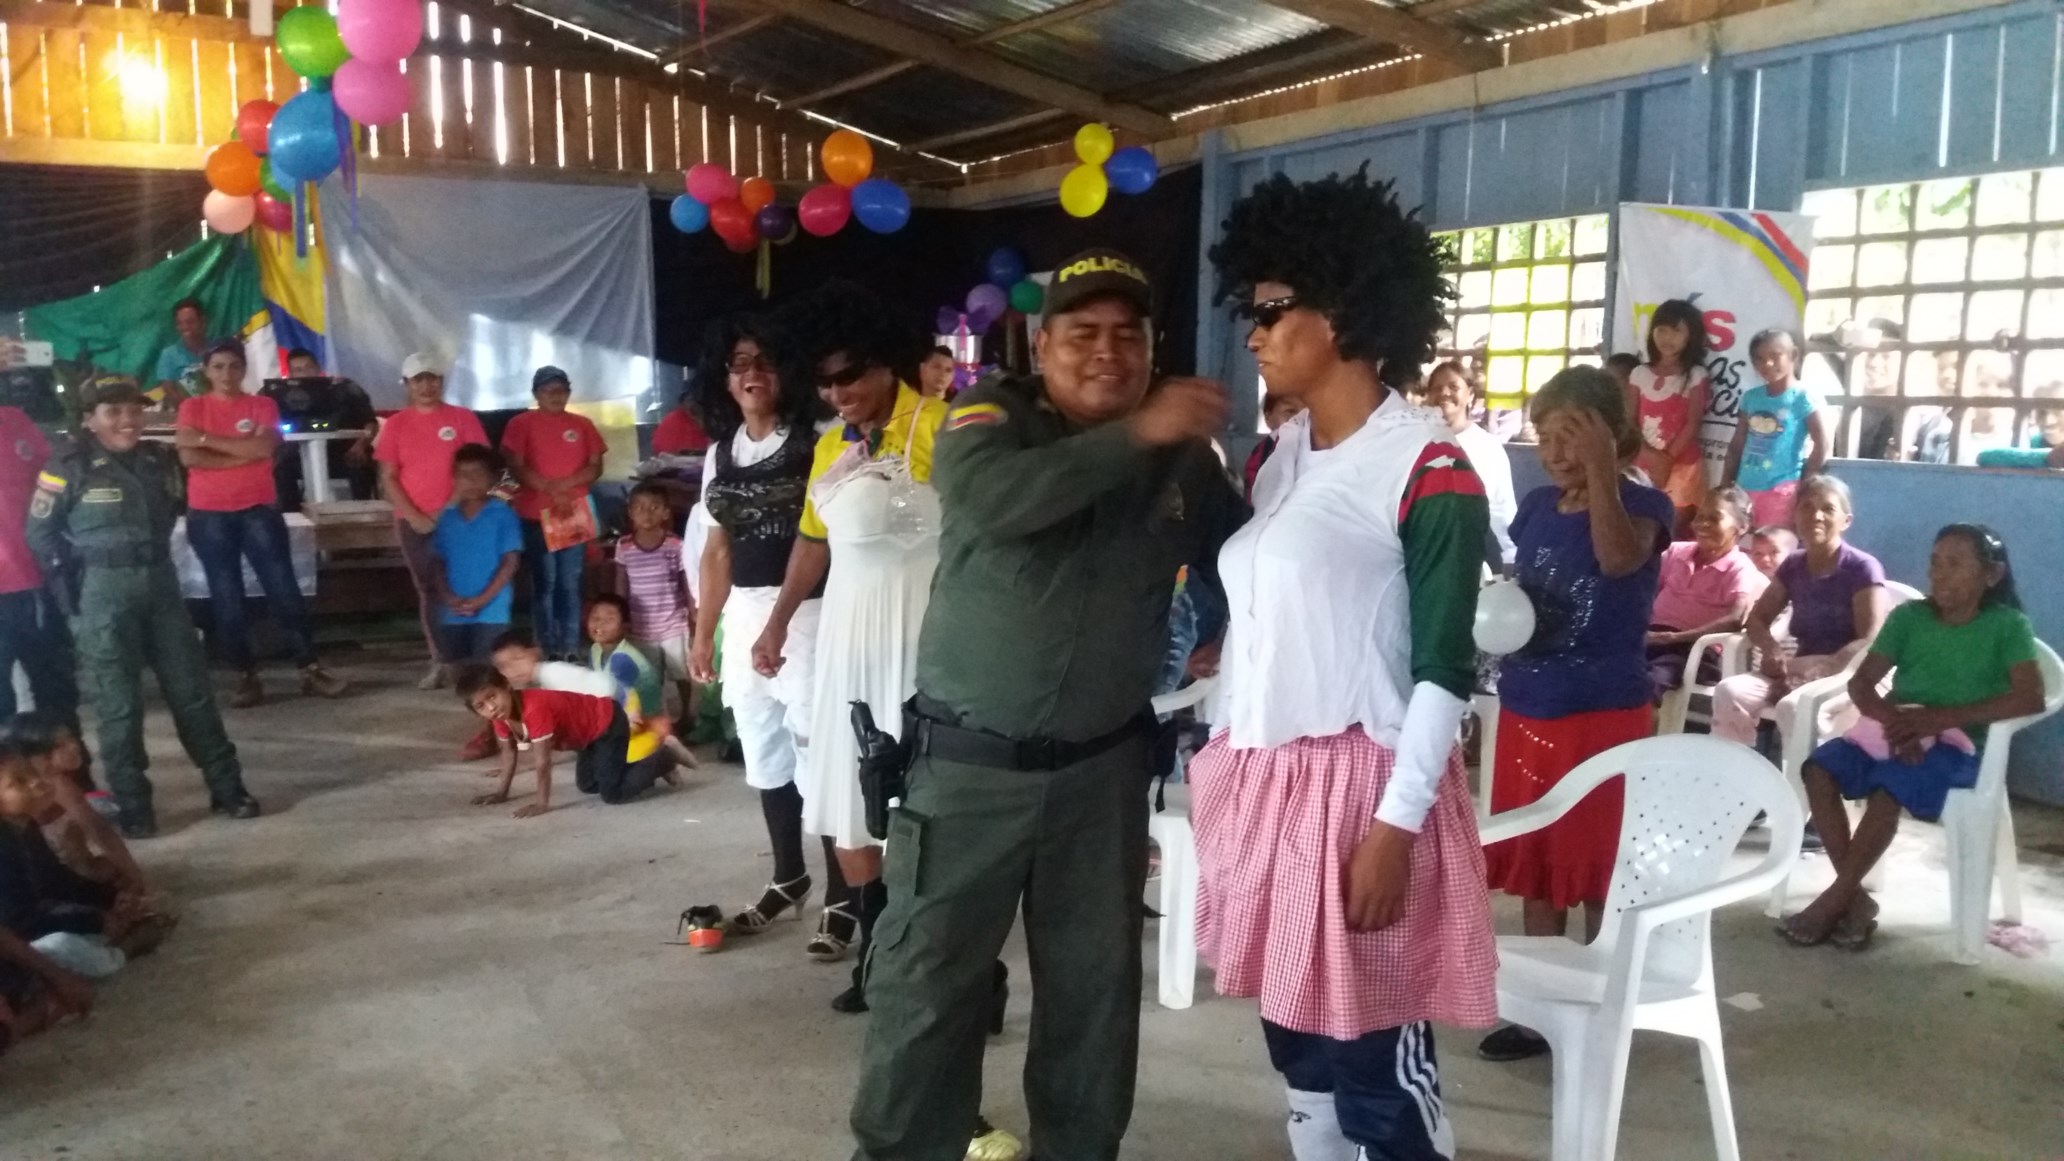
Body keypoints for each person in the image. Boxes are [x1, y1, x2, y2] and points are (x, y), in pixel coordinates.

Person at [846, 249, 1245, 1161]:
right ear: (1041, 341)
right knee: (927, 991)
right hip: (970, 771)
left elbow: (1251, 549)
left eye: (1128, 336)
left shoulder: (1183, 454)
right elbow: (995, 499)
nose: (1108, 352)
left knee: (1094, 1000)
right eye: (1084, 334)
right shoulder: (991, 418)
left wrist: (1233, 625)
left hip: (1102, 775)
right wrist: (1138, 435)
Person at [1194, 168, 1496, 1161]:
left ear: (1349, 310)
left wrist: (1395, 827)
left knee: (1376, 1064)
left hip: (1364, 788)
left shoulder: (1427, 467)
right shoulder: (1279, 459)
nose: (1255, 333)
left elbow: (1447, 669)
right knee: (1300, 1054)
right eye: (1252, 310)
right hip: (1269, 781)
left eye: (1274, 310)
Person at [750, 282, 950, 1015]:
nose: (838, 393)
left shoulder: (942, 428)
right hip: (846, 638)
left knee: (927, 808)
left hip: (924, 635)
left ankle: (941, 959)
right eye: (825, 380)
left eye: (852, 375)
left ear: (888, 363)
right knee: (847, 801)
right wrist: (776, 623)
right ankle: (875, 950)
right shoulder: (830, 445)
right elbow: (813, 540)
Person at [1479, 366, 1676, 1063]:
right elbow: (1518, 581)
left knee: (1596, 860)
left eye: (1573, 435)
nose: (1556, 450)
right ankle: (1538, 1014)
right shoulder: (1533, 506)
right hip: (1531, 702)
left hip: (1602, 713)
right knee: (1539, 860)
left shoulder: (1645, 506)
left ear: (1609, 436)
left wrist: (1602, 475)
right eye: (1547, 435)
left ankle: (1603, 997)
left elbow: (1619, 561)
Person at [1780, 524, 2042, 949]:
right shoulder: (1910, 618)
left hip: (1961, 745)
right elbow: (1862, 684)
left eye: (1955, 564)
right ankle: (1856, 899)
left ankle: (1835, 899)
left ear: (1990, 575)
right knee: (1819, 771)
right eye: (1935, 562)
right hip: (1894, 730)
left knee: (1890, 787)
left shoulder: (2007, 625)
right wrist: (1894, 723)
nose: (1939, 574)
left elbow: (2029, 697)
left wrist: (1938, 721)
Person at [26, 375, 260, 839]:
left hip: (160, 587)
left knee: (192, 693)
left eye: (133, 410)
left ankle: (228, 788)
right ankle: (134, 805)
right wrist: (74, 594)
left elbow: (172, 511)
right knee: (119, 705)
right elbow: (40, 535)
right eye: (112, 412)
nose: (127, 421)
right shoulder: (67, 466)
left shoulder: (159, 461)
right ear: (90, 419)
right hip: (102, 593)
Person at [686, 316, 846, 952]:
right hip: (744, 616)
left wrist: (781, 621)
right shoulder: (718, 454)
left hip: (809, 614)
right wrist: (705, 633)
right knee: (763, 749)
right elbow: (715, 550)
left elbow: (828, 542)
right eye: (738, 363)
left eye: (764, 360)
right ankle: (788, 877)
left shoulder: (820, 441)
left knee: (822, 755)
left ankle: (844, 895)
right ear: (723, 380)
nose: (750, 373)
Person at [175, 339, 348, 707]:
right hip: (208, 514)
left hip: (258, 510)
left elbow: (263, 449)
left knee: (284, 589)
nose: (226, 374)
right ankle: (245, 675)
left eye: (234, 366)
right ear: (206, 371)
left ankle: (309, 668)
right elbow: (189, 456)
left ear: (244, 370)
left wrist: (209, 443)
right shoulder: (193, 406)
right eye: (218, 366)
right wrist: (240, 451)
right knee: (226, 597)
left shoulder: (262, 404)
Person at [1711, 475, 1890, 755]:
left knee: (1793, 707)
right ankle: (1738, 777)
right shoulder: (1794, 565)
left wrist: (1821, 670)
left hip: (1854, 673)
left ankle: (1801, 787)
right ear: (1795, 516)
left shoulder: (1862, 568)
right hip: (1801, 667)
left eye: (1828, 509)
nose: (1816, 516)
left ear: (1846, 520)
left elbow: (1870, 640)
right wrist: (1772, 650)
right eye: (1807, 507)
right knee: (1730, 692)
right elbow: (1757, 620)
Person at [375, 353, 489, 691]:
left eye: (433, 378)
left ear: (442, 381)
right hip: (413, 521)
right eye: (418, 379)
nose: (426, 386)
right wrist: (414, 516)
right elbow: (389, 477)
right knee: (430, 589)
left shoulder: (462, 419)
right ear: (407, 384)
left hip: (462, 517)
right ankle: (442, 659)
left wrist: (442, 512)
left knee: (468, 584)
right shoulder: (396, 424)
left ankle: (474, 659)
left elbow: (476, 470)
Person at [500, 366, 606, 662]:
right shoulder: (520, 424)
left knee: (570, 583)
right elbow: (516, 466)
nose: (556, 396)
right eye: (548, 391)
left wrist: (564, 487)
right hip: (535, 514)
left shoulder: (583, 424)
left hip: (572, 513)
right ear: (536, 394)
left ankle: (570, 646)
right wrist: (550, 489)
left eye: (561, 390)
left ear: (569, 393)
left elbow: (595, 466)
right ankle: (546, 647)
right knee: (544, 583)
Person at [459, 665, 664, 815]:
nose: (491, 708)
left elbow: (543, 762)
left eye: (492, 696)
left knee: (612, 794)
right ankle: (639, 770)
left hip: (608, 723)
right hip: (585, 737)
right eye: (481, 706)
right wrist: (500, 793)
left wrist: (542, 804)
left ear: (506, 686)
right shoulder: (501, 716)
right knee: (588, 786)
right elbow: (508, 753)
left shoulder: (535, 708)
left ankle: (663, 759)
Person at [0, 397, 82, 758]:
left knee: (56, 693)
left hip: (33, 582)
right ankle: (10, 801)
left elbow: (53, 482)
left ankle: (76, 783)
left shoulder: (16, 420)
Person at [1646, 485, 1765, 696]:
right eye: (1700, 517)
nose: (1702, 524)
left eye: (1715, 518)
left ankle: (1644, 726)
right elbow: (1645, 590)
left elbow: (1735, 619)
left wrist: (1674, 638)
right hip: (1652, 639)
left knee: (1650, 681)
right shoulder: (1675, 552)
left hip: (1696, 650)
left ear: (1742, 526)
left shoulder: (1739, 567)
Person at [430, 445, 523, 692]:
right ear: (453, 478)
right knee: (460, 672)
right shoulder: (446, 518)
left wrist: (482, 600)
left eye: (478, 473)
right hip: (454, 610)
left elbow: (510, 562)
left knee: (490, 671)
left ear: (493, 478)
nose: (470, 480)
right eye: (463, 474)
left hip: (492, 610)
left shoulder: (503, 514)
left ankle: (495, 722)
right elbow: (438, 562)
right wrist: (449, 598)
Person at [1723, 328, 1828, 529]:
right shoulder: (1751, 398)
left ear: (1793, 355)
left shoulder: (1802, 397)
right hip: (1744, 487)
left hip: (1782, 491)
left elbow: (1822, 443)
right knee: (1744, 547)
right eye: (1759, 359)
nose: (1767, 364)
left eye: (1775, 356)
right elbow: (1737, 444)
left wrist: (1804, 482)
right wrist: (1726, 484)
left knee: (1774, 548)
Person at [1626, 299, 1712, 532]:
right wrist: (1650, 456)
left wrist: (1666, 459)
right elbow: (1629, 421)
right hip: (1641, 464)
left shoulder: (1695, 374)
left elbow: (1692, 425)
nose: (1667, 337)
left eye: (1676, 331)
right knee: (1639, 524)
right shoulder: (1639, 373)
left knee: (1670, 529)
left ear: (1690, 335)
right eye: (1661, 330)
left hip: (1682, 465)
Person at [614, 482, 694, 728]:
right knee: (649, 677)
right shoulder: (624, 546)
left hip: (673, 623)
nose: (646, 513)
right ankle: (658, 718)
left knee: (681, 673)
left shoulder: (675, 545)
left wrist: (693, 614)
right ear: (630, 513)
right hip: (640, 626)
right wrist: (621, 617)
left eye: (654, 507)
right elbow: (621, 583)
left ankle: (687, 714)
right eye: (639, 508)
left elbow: (686, 582)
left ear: (666, 513)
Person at [1427, 358, 1517, 568]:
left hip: (1466, 559)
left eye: (1453, 387)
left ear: (1470, 395)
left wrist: (1511, 555)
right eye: (1437, 388)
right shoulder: (1414, 442)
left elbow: (1502, 508)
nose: (1444, 393)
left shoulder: (1488, 447)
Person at [283, 347, 378, 503]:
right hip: (301, 456)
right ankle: (293, 521)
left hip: (347, 452)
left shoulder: (346, 388)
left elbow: (371, 423)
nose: (306, 373)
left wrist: (361, 445)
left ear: (318, 368)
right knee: (282, 467)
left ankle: (362, 520)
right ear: (291, 375)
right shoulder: (285, 397)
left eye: (309, 368)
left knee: (360, 465)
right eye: (299, 370)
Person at [1241, 390, 1306, 504]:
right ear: (1268, 418)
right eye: (1290, 411)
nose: (1300, 418)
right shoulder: (1263, 451)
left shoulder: (1316, 447)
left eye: (1307, 412)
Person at [149, 298, 211, 405]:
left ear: (202, 322)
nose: (184, 327)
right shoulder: (169, 355)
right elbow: (169, 389)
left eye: (190, 322)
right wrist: (191, 410)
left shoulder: (217, 350)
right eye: (179, 323)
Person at [651, 387, 714, 457]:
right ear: (682, 402)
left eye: (696, 400)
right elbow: (664, 452)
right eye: (690, 400)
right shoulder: (672, 421)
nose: (693, 404)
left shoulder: (709, 419)